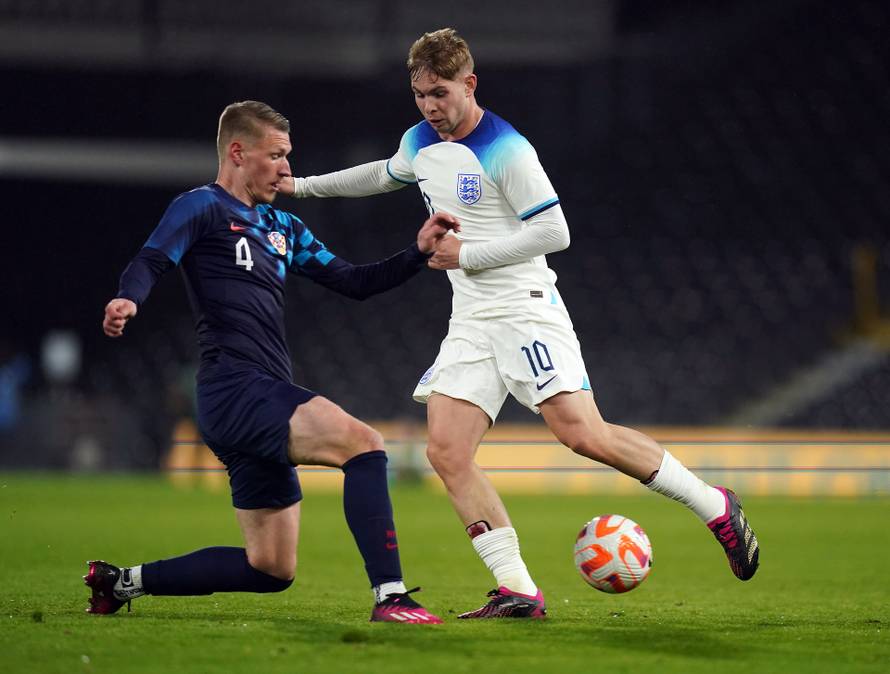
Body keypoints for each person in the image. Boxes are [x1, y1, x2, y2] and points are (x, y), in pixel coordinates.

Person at [281, 28, 761, 619]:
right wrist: (301, 186)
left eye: (440, 93)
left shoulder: (507, 148)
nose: (431, 107)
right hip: (472, 318)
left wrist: (469, 256)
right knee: (447, 451)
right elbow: (384, 173)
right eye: (420, 96)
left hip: (526, 307)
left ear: (469, 83)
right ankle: (519, 590)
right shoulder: (420, 142)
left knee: (583, 434)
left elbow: (555, 231)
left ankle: (713, 504)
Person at [85, 100, 460, 624]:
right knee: (367, 446)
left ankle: (121, 582)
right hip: (235, 387)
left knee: (271, 568)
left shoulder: (283, 226)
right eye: (277, 156)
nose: (287, 169)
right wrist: (129, 298)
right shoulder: (202, 207)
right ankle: (391, 596)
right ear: (238, 153)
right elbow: (152, 258)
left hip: (253, 398)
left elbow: (353, 282)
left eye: (289, 156)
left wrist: (417, 252)